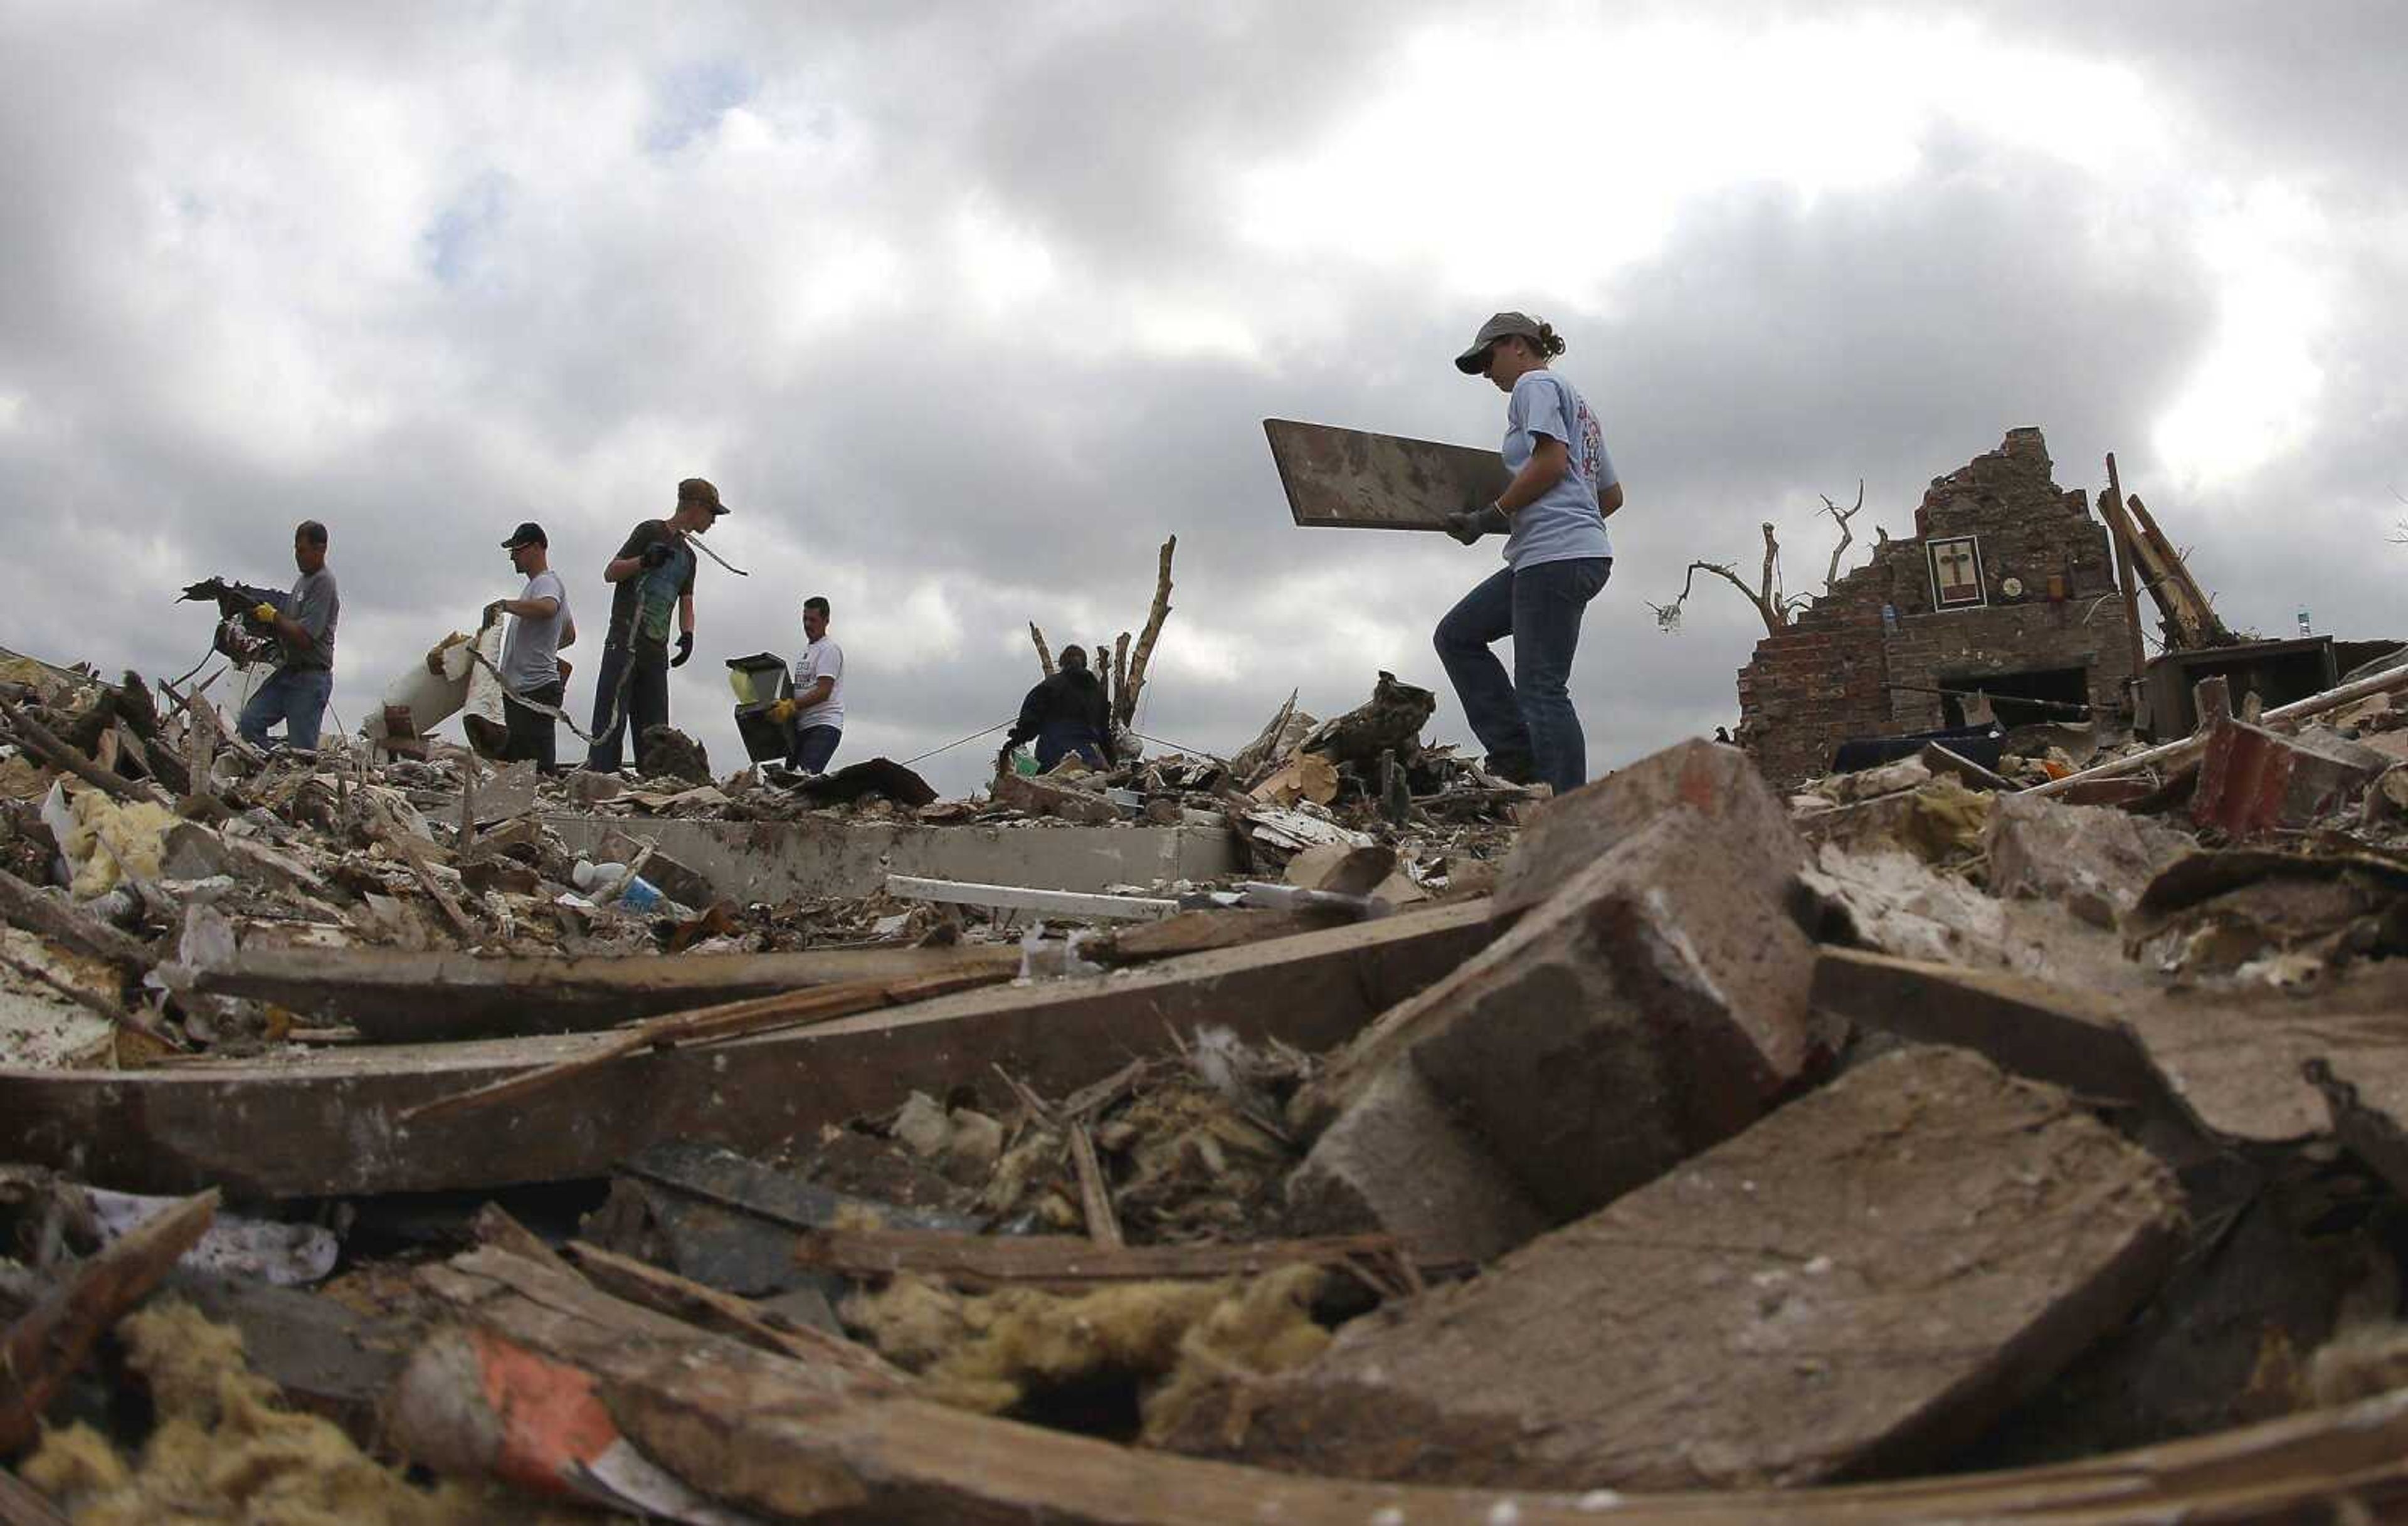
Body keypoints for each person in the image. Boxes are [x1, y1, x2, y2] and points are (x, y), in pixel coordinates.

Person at [1432, 312, 1622, 796]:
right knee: (1457, 635)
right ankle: (1517, 759)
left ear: (1517, 345)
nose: (1486, 373)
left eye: (1487, 359)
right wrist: (1571, 523)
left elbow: (1552, 462)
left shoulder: (1533, 386)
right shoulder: (1581, 408)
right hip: (1561, 554)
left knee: (1542, 687)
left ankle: (1564, 807)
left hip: (1554, 558)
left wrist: (1491, 515)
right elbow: (1611, 496)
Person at [585, 477, 727, 771]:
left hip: (656, 648)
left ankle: (651, 784)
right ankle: (602, 776)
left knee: (655, 729)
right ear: (696, 507)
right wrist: (644, 561)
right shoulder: (650, 531)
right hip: (626, 639)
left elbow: (686, 601)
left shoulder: (689, 556)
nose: (713, 521)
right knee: (612, 718)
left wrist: (688, 634)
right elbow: (611, 572)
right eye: (712, 513)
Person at [238, 520, 341, 751]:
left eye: (303, 550)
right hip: (290, 671)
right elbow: (289, 621)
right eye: (296, 550)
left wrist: (274, 617)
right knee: (250, 723)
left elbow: (305, 636)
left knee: (301, 752)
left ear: (320, 548)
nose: (298, 556)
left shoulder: (324, 582)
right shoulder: (303, 582)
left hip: (311, 678)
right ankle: (273, 769)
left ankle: (296, 780)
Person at [486, 522, 577, 770]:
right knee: (521, 766)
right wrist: (544, 647)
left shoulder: (545, 583)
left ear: (537, 548)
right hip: (525, 690)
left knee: (534, 772)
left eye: (518, 549)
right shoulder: (540, 586)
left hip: (533, 690)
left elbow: (548, 608)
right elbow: (569, 634)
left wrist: (505, 605)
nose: (513, 557)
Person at [998, 645, 1111, 772]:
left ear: (1062, 664)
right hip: (1088, 761)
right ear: (1084, 664)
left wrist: (1011, 744)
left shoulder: (1049, 686)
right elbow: (1105, 735)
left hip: (1052, 760)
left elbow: (1029, 724)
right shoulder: (1097, 693)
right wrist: (1112, 762)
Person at [768, 594, 845, 772]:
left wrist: (791, 706)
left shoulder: (829, 650)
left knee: (803, 778)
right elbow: (804, 687)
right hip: (803, 726)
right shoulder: (807, 651)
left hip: (823, 725)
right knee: (788, 778)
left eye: (813, 620)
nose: (808, 625)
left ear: (826, 621)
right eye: (805, 619)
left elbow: (824, 691)